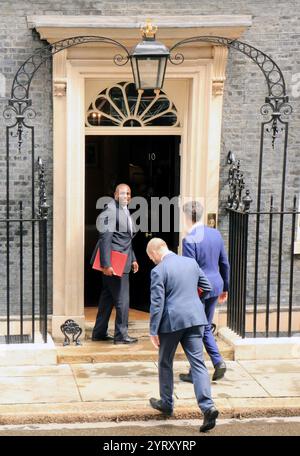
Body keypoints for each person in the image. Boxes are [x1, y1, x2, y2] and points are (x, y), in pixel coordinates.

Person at [147, 238, 219, 433]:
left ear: (154, 253)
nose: (152, 261)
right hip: (195, 318)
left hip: (171, 322)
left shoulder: (158, 271)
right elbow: (207, 287)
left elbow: (157, 303)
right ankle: (208, 407)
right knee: (198, 364)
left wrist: (153, 330)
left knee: (165, 362)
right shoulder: (190, 262)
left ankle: (167, 404)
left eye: (151, 257)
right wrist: (194, 303)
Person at [179, 201, 230, 383]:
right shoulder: (215, 233)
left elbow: (189, 270)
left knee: (196, 329)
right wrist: (225, 287)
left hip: (200, 289)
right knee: (205, 326)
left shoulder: (189, 239)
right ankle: (216, 363)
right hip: (216, 286)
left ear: (186, 217)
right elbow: (224, 262)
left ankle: (201, 369)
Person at [91, 184, 139, 344]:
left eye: (129, 193)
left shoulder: (124, 211)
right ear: (116, 194)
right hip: (114, 264)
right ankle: (121, 336)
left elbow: (125, 239)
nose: (126, 196)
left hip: (123, 260)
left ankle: (98, 332)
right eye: (123, 193)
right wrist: (106, 264)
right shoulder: (111, 211)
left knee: (107, 299)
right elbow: (105, 238)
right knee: (122, 300)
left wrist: (133, 258)